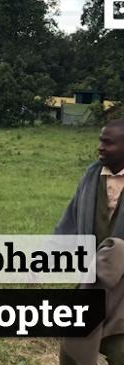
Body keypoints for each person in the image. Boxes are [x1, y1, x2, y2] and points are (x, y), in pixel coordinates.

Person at [56, 119, 124, 365]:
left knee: (118, 349)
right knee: (74, 345)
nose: (100, 147)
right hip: (92, 279)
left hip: (122, 287)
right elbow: (70, 221)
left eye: (108, 142)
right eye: (100, 140)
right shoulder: (92, 175)